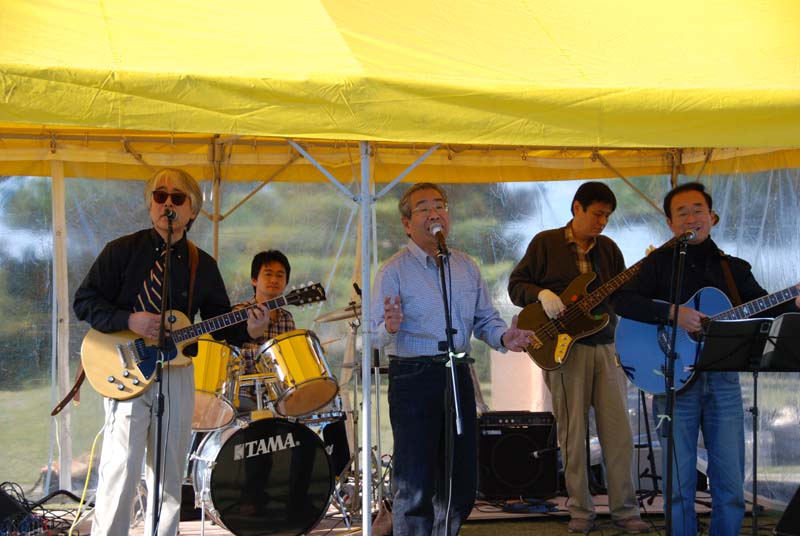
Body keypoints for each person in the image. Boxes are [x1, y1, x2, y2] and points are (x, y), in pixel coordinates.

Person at [73, 168, 269, 536]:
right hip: (125, 369)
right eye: (159, 196)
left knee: (168, 475)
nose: (167, 203)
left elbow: (219, 321)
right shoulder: (121, 251)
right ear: (150, 205)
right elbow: (84, 302)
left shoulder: (202, 264)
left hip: (176, 373)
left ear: (192, 210)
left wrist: (250, 330)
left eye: (177, 198)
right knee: (121, 469)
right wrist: (130, 319)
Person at [614, 182, 800, 536]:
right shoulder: (657, 264)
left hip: (723, 381)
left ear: (712, 217)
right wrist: (674, 314)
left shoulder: (734, 268)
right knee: (678, 486)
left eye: (697, 210)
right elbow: (622, 301)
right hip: (671, 381)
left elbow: (763, 306)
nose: (691, 218)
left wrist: (793, 302)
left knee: (729, 482)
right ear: (670, 223)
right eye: (681, 212)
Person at [371, 182, 536, 536]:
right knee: (415, 480)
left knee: (459, 479)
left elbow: (485, 319)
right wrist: (389, 327)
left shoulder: (465, 266)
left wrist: (504, 336)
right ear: (406, 224)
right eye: (423, 208)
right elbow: (370, 336)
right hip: (414, 375)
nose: (435, 213)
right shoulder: (393, 271)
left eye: (440, 205)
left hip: (458, 372)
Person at [507, 181, 648, 534]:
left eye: (608, 216)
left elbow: (621, 298)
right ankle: (581, 511)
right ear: (577, 208)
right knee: (572, 434)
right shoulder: (545, 243)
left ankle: (625, 510)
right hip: (563, 350)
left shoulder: (609, 249)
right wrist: (542, 294)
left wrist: (641, 282)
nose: (603, 222)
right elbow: (516, 286)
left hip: (606, 345)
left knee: (618, 432)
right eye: (597, 214)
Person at [234, 249, 297, 412]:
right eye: (268, 274)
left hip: (279, 394)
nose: (274, 280)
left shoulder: (287, 318)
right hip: (244, 394)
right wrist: (270, 358)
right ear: (254, 280)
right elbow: (232, 357)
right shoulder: (239, 312)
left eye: (280, 275)